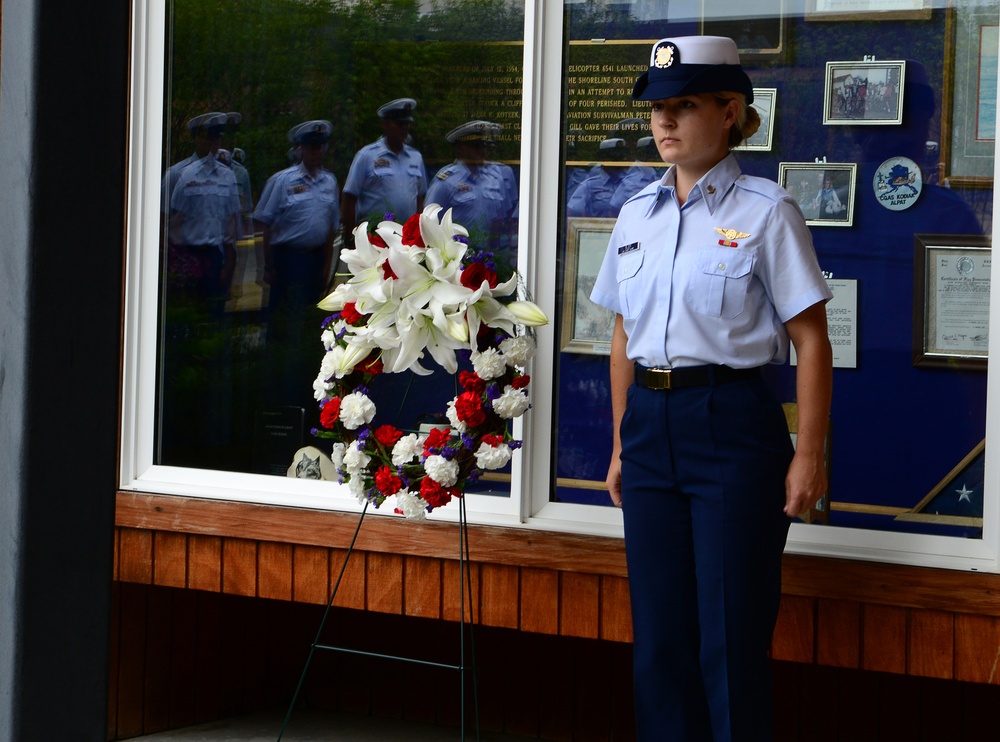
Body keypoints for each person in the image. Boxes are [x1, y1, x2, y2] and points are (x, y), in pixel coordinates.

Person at [588, 36, 833, 741]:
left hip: (731, 424)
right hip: (650, 426)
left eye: (683, 106)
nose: (664, 122)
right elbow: (622, 337)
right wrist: (619, 444)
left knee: (728, 639)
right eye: (658, 108)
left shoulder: (766, 210)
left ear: (729, 112)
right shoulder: (637, 212)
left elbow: (812, 339)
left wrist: (807, 455)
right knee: (660, 638)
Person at [253, 119, 341, 412]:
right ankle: (276, 386)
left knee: (308, 322)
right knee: (281, 323)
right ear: (299, 149)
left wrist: (326, 266)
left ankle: (305, 379)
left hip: (315, 257)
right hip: (286, 259)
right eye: (310, 147)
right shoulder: (282, 181)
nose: (316, 152)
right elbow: (263, 223)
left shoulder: (329, 181)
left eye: (320, 147)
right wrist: (266, 265)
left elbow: (330, 227)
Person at [341, 97, 427, 228]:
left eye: (407, 124)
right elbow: (349, 199)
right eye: (399, 124)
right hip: (374, 237)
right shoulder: (366, 155)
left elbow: (419, 198)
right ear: (385, 124)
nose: (404, 128)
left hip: (406, 238)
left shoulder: (416, 157)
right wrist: (351, 238)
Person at [426, 120, 507, 243]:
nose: (482, 150)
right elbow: (429, 222)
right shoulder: (446, 181)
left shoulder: (494, 179)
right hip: (457, 254)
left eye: (484, 145)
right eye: (476, 146)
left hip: (490, 255)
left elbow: (500, 220)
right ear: (461, 149)